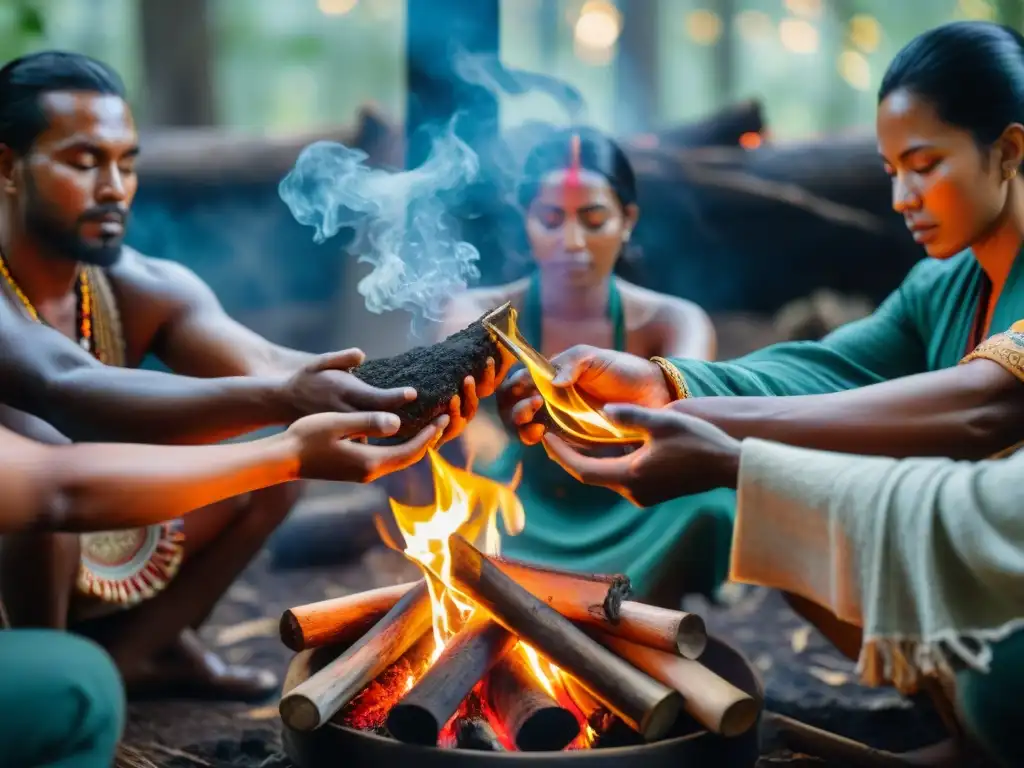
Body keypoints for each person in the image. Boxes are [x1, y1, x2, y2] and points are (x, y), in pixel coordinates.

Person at [0, 50, 496, 701]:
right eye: (84, 161)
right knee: (42, 434)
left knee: (271, 477)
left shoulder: (141, 284)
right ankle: (52, 677)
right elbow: (66, 387)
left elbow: (268, 366)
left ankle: (140, 658)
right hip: (34, 519)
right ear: (8, 167)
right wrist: (288, 399)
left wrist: (411, 388)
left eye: (126, 163)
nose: (114, 188)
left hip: (105, 511)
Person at [501, 21, 1024, 496]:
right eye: (891, 172)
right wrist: (659, 386)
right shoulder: (938, 287)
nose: (901, 198)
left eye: (924, 165)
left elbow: (982, 407)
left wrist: (703, 424)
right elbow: (821, 371)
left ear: (1008, 152)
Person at [537, 392, 1024, 767]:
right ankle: (958, 728)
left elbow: (985, 418)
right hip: (551, 497)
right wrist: (668, 391)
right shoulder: (942, 279)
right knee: (780, 512)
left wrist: (735, 461)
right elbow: (829, 367)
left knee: (999, 677)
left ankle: (970, 731)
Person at [0, 408, 444, 767]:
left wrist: (311, 390)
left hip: (87, 484)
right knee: (79, 672)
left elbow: (245, 362)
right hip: (46, 503)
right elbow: (66, 397)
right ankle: (63, 683)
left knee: (266, 487)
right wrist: (288, 449)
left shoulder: (115, 294)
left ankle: (144, 651)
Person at [440, 127, 730, 604]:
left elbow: (688, 425)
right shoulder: (478, 313)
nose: (572, 241)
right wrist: (494, 431)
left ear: (627, 219)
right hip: (522, 506)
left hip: (636, 502)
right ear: (525, 220)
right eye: (551, 220)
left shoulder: (672, 321)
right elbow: (459, 428)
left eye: (593, 220)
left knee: (709, 505)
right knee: (466, 513)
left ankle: (643, 605)